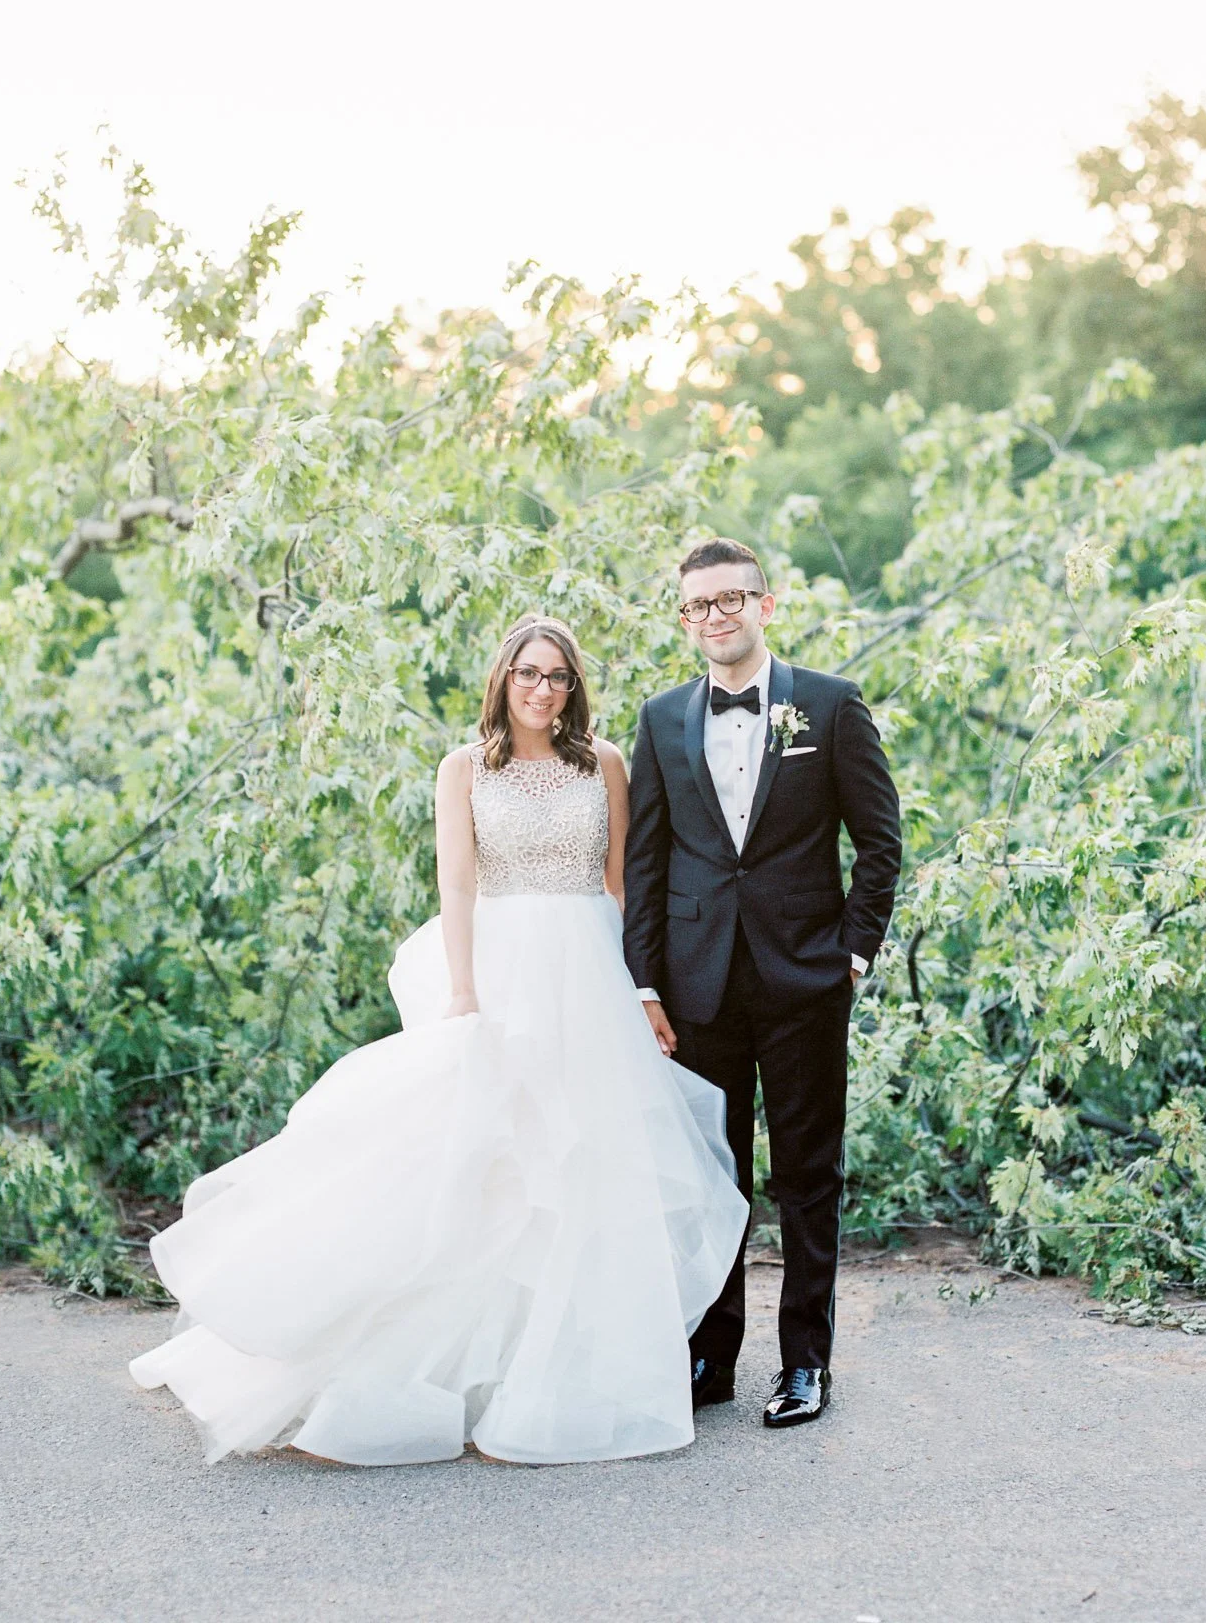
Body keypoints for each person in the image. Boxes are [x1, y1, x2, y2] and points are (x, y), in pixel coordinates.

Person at [129, 615, 747, 1466]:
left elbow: (623, 885)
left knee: (589, 1165)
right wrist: (463, 990)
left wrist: (638, 988)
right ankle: (460, 1374)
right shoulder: (464, 768)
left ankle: (561, 1373)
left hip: (590, 977)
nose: (543, 690)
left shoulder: (602, 763)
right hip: (504, 969)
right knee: (494, 1162)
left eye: (559, 677)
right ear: (503, 679)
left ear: (574, 687)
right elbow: (456, 883)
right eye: (529, 674)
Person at [623, 538, 902, 1428]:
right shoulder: (662, 719)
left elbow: (880, 844)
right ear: (685, 619)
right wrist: (645, 985)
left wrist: (850, 957)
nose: (717, 617)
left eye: (732, 600)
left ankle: (806, 1365)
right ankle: (712, 1357)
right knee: (715, 1177)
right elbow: (647, 860)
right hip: (698, 987)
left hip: (805, 981)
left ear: (766, 604)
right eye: (699, 606)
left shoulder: (828, 704)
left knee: (808, 1177)